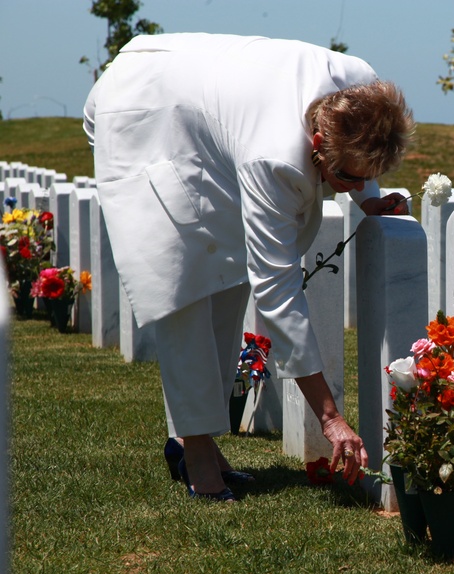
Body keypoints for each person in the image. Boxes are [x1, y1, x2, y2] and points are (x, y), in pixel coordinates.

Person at [83, 33, 415, 501]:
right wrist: (330, 417)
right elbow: (277, 289)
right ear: (317, 142)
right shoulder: (275, 156)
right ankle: (194, 453)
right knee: (183, 284)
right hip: (144, 111)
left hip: (206, 111)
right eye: (346, 179)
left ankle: (197, 439)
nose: (351, 188)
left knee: (229, 278)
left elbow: (357, 156)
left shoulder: (361, 87)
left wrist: (370, 200)